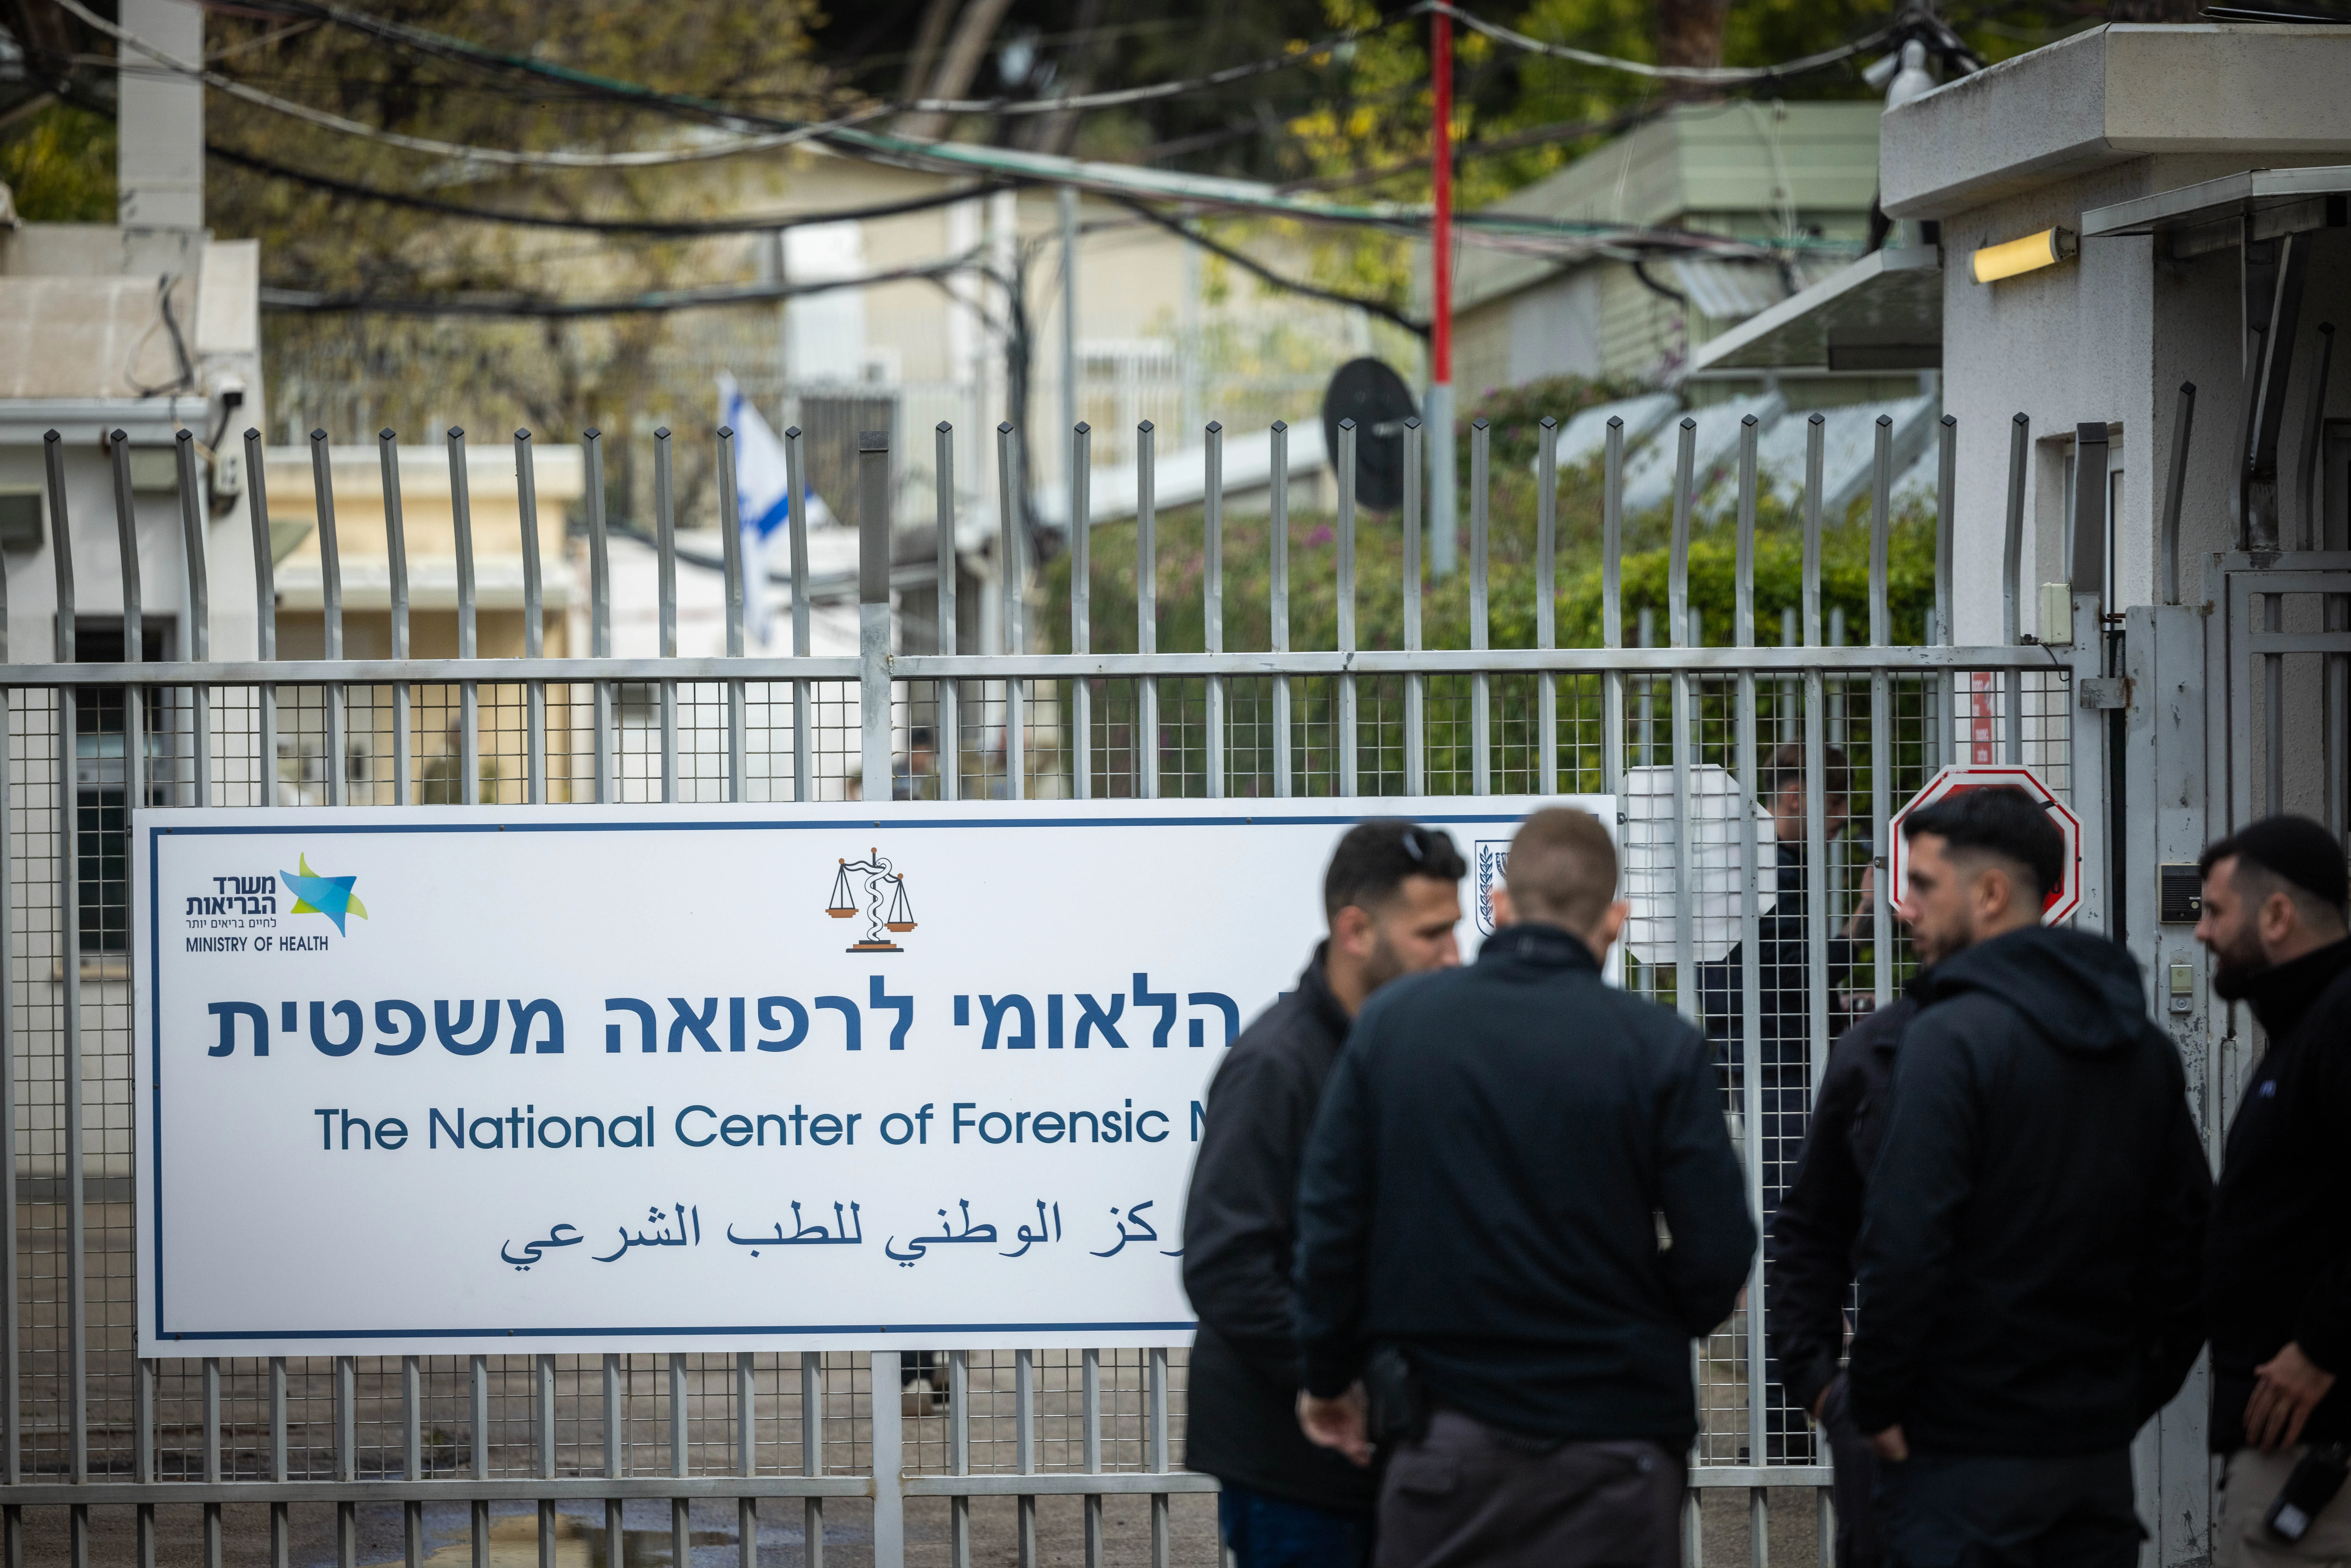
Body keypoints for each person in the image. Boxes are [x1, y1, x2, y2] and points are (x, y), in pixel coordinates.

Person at [1291, 806, 1755, 1568]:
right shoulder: (1662, 1048)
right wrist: (1644, 1321)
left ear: (1501, 907)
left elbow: (1331, 1224)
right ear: (1614, 919)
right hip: (1617, 1448)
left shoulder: (1396, 1026)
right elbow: (1721, 1247)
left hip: (1447, 1443)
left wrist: (1329, 1377)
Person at [1847, 786, 2210, 1567]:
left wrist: (1874, 1403)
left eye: (1925, 886)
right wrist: (2116, 1401)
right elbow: (2188, 1253)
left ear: (1990, 894)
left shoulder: (1952, 1038)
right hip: (2090, 1464)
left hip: (1960, 1464)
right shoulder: (2141, 1047)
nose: (1907, 909)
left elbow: (1904, 1243)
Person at [1184, 820, 1468, 1568]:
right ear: (1355, 929)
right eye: (1431, 933)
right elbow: (1224, 1265)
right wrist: (1336, 1378)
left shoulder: (1414, 1051)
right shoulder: (1277, 1067)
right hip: (1296, 1473)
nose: (1454, 956)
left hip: (1402, 1459)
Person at [2193, 816, 2351, 1565]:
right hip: (2292, 1442)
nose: (2201, 933)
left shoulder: (2339, 1019)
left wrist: (2320, 1346)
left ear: (2279, 915)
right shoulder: (2308, 1024)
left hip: (2317, 1450)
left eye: (2215, 910)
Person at [1769, 958, 1921, 1566]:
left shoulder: (2099, 1044)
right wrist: (1825, 1391)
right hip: (1893, 1416)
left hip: (2046, 1428)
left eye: (1922, 883)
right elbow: (1809, 1230)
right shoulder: (1873, 1050)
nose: (1905, 904)